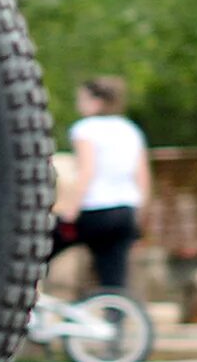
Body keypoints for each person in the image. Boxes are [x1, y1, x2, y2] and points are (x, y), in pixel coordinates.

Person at [57, 76, 148, 293]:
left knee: (38, 249)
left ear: (96, 102)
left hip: (95, 210)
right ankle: (114, 317)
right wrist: (140, 215)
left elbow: (87, 171)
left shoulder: (85, 129)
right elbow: (142, 177)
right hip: (125, 211)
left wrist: (70, 212)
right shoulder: (130, 130)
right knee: (113, 276)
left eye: (82, 99)